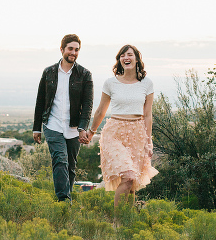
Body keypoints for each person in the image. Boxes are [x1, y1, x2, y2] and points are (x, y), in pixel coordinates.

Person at [84, 44, 158, 208]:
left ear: (137, 59)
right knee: (129, 176)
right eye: (122, 55)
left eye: (130, 55)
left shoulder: (146, 83)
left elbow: (147, 115)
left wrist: (148, 141)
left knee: (132, 184)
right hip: (114, 133)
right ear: (119, 60)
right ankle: (117, 223)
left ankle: (127, 221)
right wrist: (91, 132)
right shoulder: (111, 83)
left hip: (137, 133)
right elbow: (100, 111)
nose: (126, 58)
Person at [32, 34, 94, 202]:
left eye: (76, 49)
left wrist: (82, 128)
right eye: (70, 49)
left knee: (71, 166)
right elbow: (40, 101)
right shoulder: (49, 72)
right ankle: (63, 200)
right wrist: (37, 128)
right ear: (62, 49)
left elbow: (87, 105)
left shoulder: (85, 74)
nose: (73, 52)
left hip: (73, 128)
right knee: (60, 160)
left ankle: (66, 198)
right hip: (52, 124)